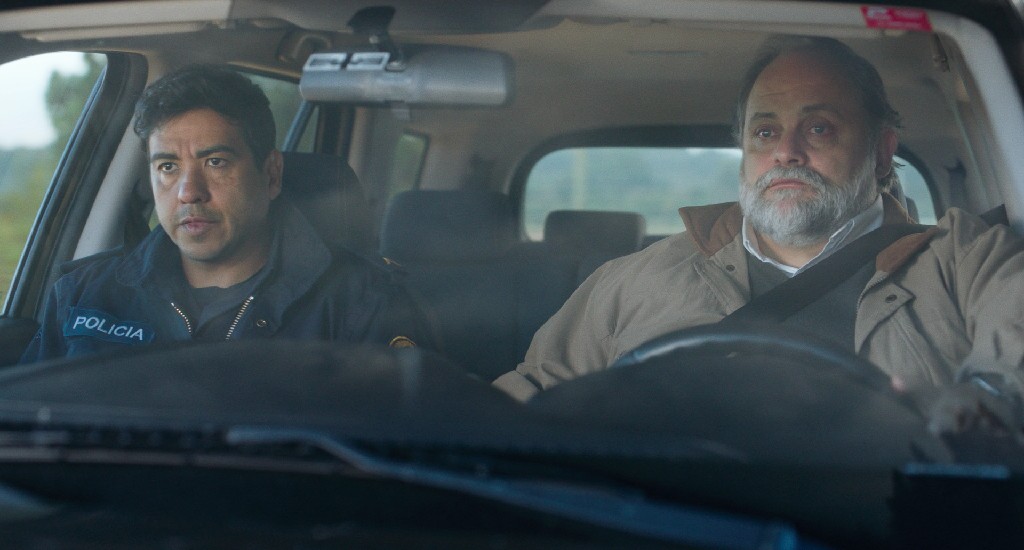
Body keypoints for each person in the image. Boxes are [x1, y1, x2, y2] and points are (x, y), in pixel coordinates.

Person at [494, 36, 1024, 437]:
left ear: (882, 153)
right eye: (765, 132)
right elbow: (519, 407)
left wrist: (981, 401)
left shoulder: (965, 261)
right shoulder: (634, 282)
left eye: (818, 128)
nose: (785, 152)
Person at [20, 65, 432, 362]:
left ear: (271, 175)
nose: (189, 192)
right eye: (168, 167)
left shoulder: (364, 306)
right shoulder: (84, 296)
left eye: (215, 162)